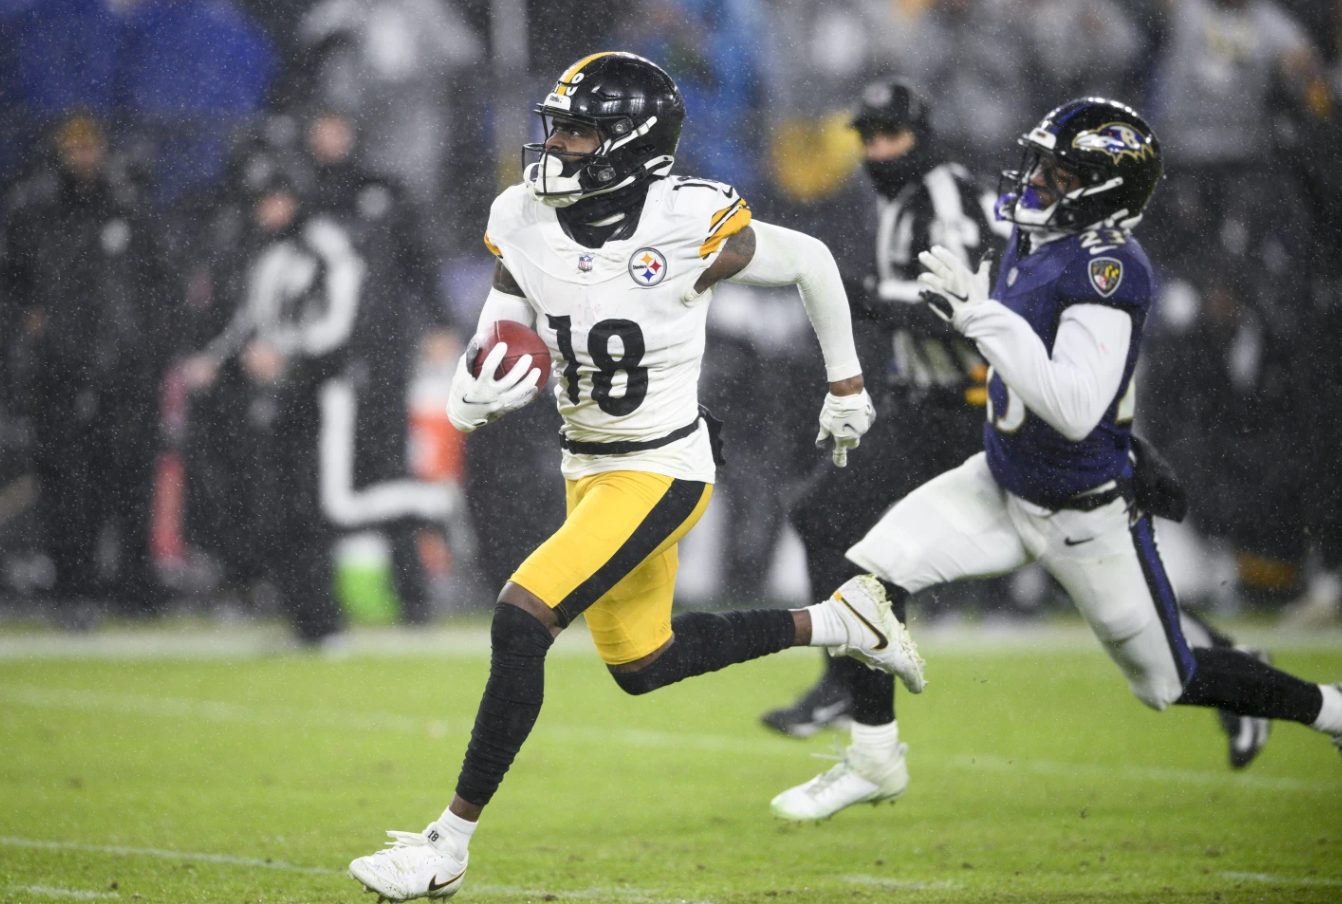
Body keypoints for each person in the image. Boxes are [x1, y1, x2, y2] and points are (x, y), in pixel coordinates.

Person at [346, 52, 925, 901]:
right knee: (643, 663)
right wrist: (478, 379)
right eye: (559, 127)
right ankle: (841, 622)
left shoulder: (685, 221)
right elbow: (507, 311)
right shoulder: (526, 214)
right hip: (588, 466)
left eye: (580, 130)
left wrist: (846, 383)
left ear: (633, 142)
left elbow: (810, 262)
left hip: (663, 468)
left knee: (520, 619)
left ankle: (447, 845)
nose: (560, 145)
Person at [769, 98, 1342, 822]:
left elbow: (1073, 406)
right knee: (869, 576)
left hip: (1082, 512)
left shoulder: (1108, 269)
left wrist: (980, 317)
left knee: (1170, 680)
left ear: (1104, 188)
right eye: (1039, 162)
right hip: (999, 478)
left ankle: (1331, 711)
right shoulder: (1033, 240)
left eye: (1059, 171)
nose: (1036, 179)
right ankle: (873, 759)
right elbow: (1031, 367)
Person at [761, 79, 1000, 750]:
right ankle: (856, 683)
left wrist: (862, 295)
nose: (878, 148)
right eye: (868, 136)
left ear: (921, 134)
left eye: (891, 133)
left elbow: (962, 307)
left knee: (844, 527)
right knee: (831, 520)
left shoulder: (945, 197)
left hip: (970, 410)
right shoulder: (907, 198)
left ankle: (856, 681)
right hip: (925, 404)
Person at [1, 113, 173, 622]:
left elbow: (158, 286)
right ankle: (72, 589)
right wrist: (33, 332)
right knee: (66, 486)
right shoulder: (35, 212)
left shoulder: (127, 208)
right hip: (60, 369)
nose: (81, 156)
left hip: (123, 369)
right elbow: (15, 287)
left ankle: (132, 588)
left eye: (88, 146)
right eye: (72, 147)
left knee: (127, 482)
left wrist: (146, 351)